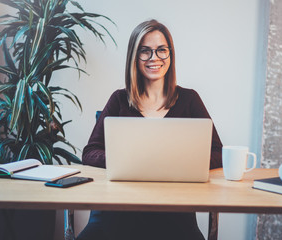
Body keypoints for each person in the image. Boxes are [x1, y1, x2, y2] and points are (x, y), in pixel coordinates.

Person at [77, 19, 223, 240]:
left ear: (170, 55)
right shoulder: (119, 100)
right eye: (145, 51)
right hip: (119, 210)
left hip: (175, 212)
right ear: (134, 58)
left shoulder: (189, 99)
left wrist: (184, 163)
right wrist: (124, 161)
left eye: (161, 50)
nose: (154, 58)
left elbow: (218, 152)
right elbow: (90, 152)